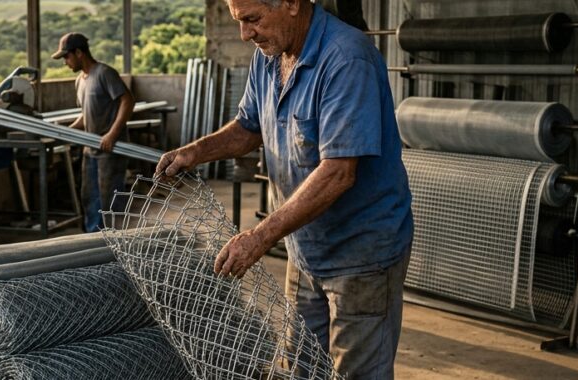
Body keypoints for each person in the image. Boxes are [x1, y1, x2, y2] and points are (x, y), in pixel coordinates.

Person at [155, 0, 413, 378]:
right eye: (238, 21)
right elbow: (249, 126)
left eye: (252, 20)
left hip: (361, 255)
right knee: (300, 366)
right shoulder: (270, 54)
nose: (245, 34)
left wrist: (259, 238)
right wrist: (196, 151)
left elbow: (339, 172)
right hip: (306, 248)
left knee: (357, 371)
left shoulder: (346, 58)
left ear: (291, 3)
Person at [53, 32, 136, 232]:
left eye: (67, 56)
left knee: (110, 199)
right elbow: (85, 115)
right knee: (90, 197)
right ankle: (94, 242)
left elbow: (128, 101)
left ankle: (116, 244)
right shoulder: (80, 81)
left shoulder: (104, 73)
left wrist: (112, 135)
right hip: (90, 150)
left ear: (79, 52)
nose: (65, 62)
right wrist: (67, 131)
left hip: (110, 150)